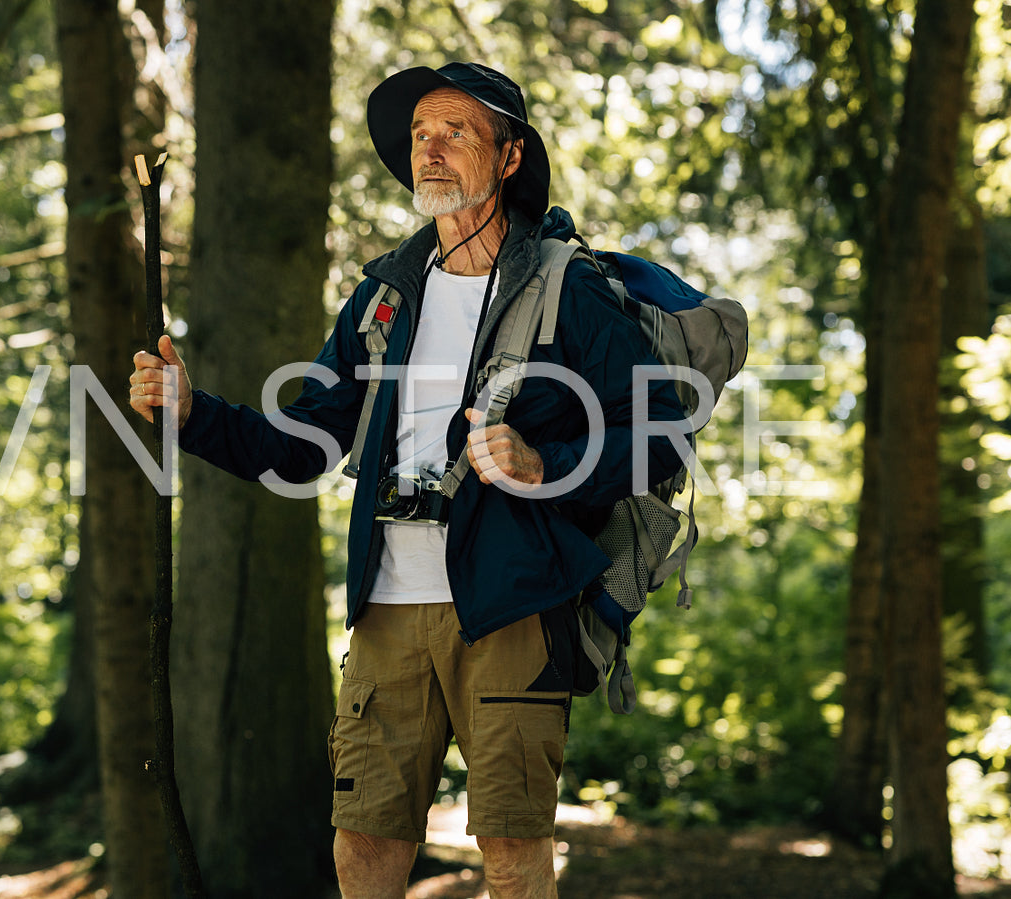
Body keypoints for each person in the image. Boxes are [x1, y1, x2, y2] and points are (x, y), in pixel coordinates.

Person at [128, 61, 684, 899]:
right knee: (364, 846)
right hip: (385, 610)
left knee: (511, 848)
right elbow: (300, 447)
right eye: (419, 134)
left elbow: (658, 439)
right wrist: (192, 413)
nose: (428, 147)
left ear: (508, 156)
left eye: (454, 130)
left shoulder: (566, 288)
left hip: (513, 606)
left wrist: (544, 466)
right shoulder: (384, 296)